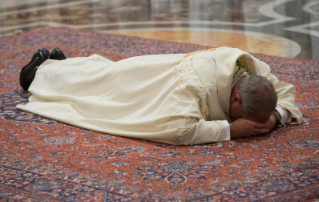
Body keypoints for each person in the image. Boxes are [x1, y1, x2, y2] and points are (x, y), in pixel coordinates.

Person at [17, 47, 303, 145]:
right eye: (249, 119)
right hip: (140, 85)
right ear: (235, 100)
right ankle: (37, 74)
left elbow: (285, 90)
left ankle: (60, 65)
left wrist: (277, 117)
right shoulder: (198, 88)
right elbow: (179, 129)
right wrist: (230, 129)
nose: (255, 127)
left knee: (100, 74)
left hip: (154, 71)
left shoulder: (253, 70)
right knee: (100, 88)